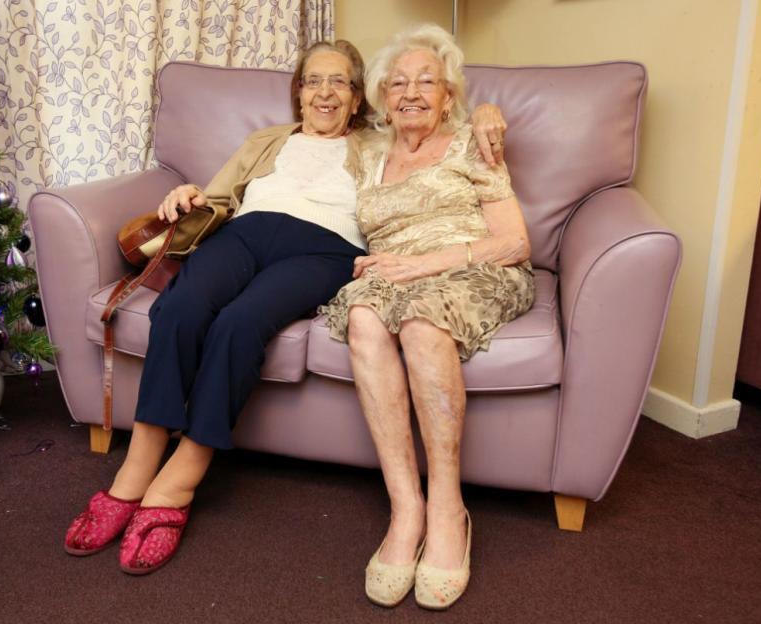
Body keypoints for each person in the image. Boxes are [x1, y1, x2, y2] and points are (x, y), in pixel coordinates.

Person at [64, 39, 509, 576]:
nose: (325, 93)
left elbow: (436, 123)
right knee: (179, 309)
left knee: (240, 322)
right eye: (314, 81)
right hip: (246, 234)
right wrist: (189, 195)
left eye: (340, 82)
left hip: (326, 247)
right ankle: (136, 469)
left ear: (357, 98)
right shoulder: (266, 140)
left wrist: (485, 110)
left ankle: (181, 478)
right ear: (298, 93)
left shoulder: (375, 140)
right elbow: (221, 199)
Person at [319, 24, 534, 610]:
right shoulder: (365, 151)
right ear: (383, 98)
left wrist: (426, 265)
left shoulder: (473, 142)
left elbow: (515, 242)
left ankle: (447, 509)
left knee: (419, 320)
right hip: (394, 272)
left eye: (428, 82)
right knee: (363, 315)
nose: (412, 92)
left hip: (473, 265)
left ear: (448, 95)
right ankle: (405, 508)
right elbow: (303, 134)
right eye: (398, 83)